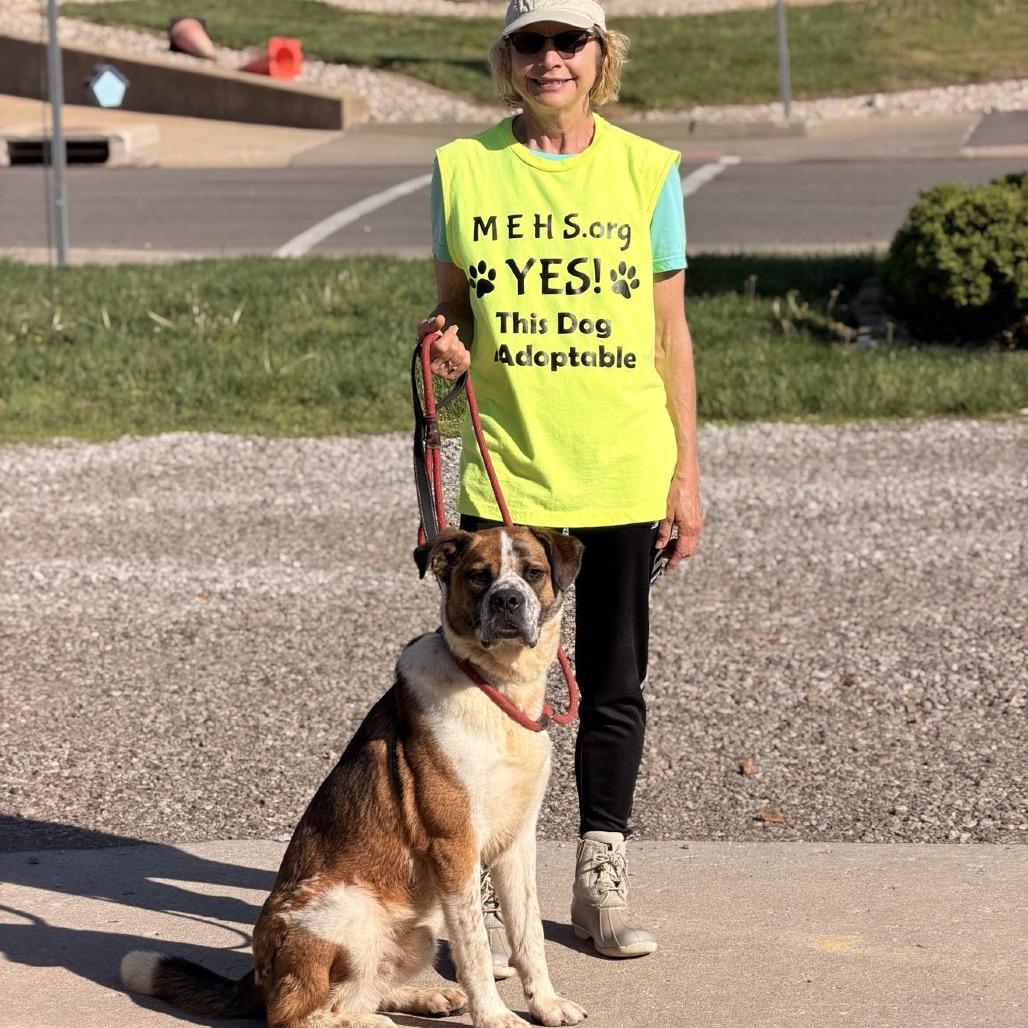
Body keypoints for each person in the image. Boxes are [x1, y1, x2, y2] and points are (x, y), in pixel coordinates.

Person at [416, 0, 702, 968]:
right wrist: (444, 348)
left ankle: (598, 874)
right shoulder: (463, 169)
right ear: (508, 57)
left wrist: (686, 474)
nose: (549, 59)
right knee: (488, 689)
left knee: (613, 681)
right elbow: (452, 308)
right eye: (530, 42)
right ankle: (481, 894)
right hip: (510, 467)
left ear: (599, 55)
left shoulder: (646, 171)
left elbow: (670, 334)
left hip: (623, 466)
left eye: (567, 41)